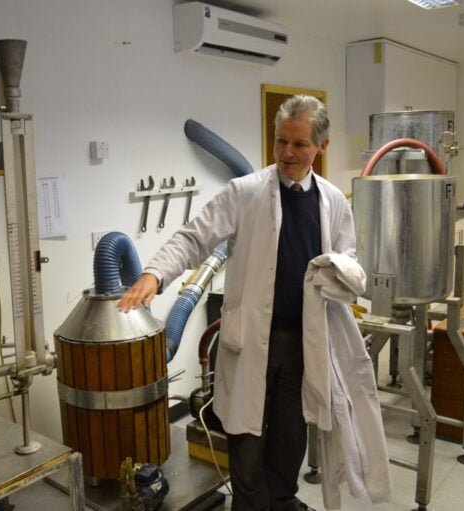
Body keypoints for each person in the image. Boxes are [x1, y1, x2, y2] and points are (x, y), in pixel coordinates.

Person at [118, 95, 356, 511]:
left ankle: (282, 501)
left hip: (304, 341)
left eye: (300, 144)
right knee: (247, 439)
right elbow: (194, 237)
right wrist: (154, 274)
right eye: (281, 141)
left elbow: (346, 259)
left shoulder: (333, 201)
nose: (287, 153)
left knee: (290, 434)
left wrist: (346, 277)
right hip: (252, 340)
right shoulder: (245, 192)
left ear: (322, 146)